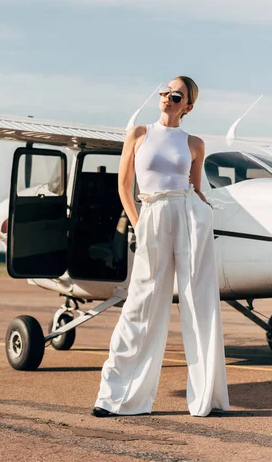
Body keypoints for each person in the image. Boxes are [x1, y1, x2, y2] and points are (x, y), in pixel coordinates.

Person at [92, 76, 229, 417]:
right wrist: (139, 225)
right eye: (165, 91)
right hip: (151, 214)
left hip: (189, 216)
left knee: (200, 302)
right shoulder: (139, 134)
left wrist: (205, 216)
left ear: (188, 106)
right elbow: (125, 186)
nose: (167, 97)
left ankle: (208, 397)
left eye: (176, 94)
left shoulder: (194, 143)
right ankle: (116, 398)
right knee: (141, 305)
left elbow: (196, 190)